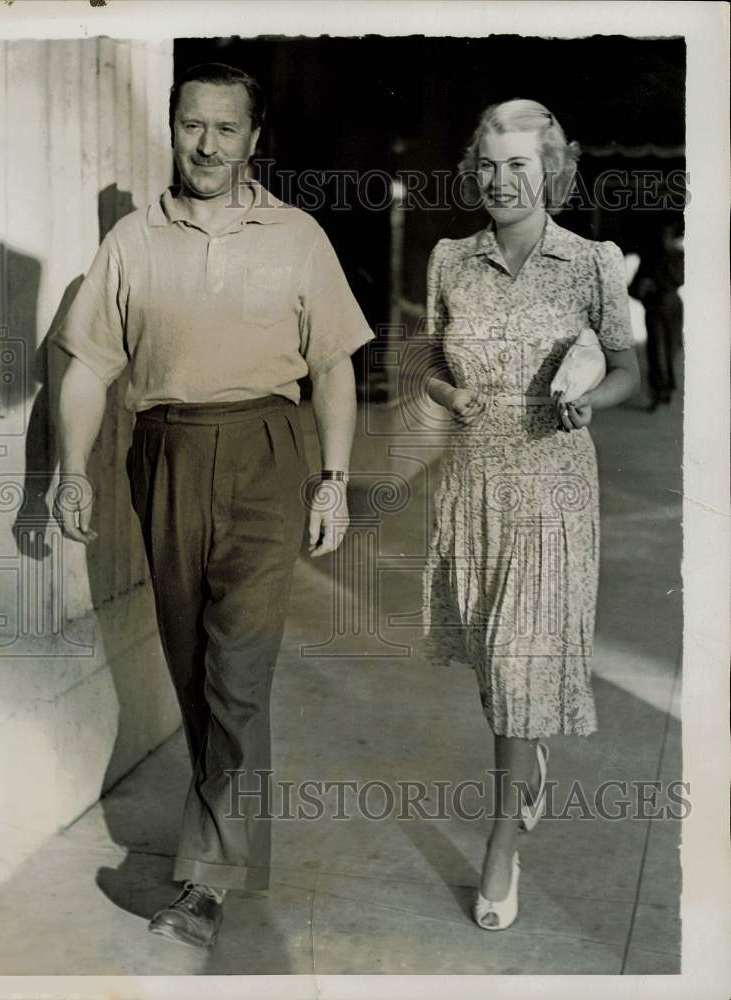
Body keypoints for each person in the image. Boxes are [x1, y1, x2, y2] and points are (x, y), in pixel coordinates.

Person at [53, 62, 374, 949]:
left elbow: (335, 366)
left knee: (238, 674)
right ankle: (225, 841)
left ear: (254, 139)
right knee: (192, 663)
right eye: (192, 125)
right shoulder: (131, 240)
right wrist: (71, 470)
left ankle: (206, 881)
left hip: (268, 454)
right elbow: (88, 368)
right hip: (161, 454)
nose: (207, 144)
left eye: (226, 129)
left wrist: (335, 482)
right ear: (173, 127)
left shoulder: (298, 235)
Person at [421, 99, 640, 931]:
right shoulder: (448, 259)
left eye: (518, 164)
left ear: (550, 169)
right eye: (487, 164)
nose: (501, 180)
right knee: (492, 667)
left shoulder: (588, 264)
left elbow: (624, 368)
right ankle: (528, 757)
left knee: (516, 671)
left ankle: (499, 848)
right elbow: (432, 364)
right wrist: (452, 391)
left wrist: (593, 403)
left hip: (553, 491)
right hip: (474, 485)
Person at [629, 219, 684, 410]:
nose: (664, 240)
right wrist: (643, 288)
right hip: (654, 308)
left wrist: (652, 283)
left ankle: (667, 386)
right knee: (656, 350)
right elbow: (633, 287)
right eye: (661, 236)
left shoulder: (678, 256)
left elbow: (679, 279)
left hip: (671, 306)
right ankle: (658, 390)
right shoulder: (649, 259)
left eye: (667, 236)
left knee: (671, 348)